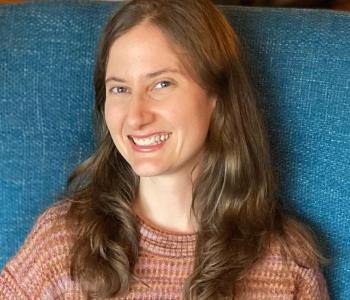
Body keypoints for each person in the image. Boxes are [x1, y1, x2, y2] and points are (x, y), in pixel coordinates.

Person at [0, 0, 329, 299]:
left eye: (162, 84)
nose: (135, 116)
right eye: (120, 88)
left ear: (217, 97)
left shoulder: (286, 260)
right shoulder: (61, 242)